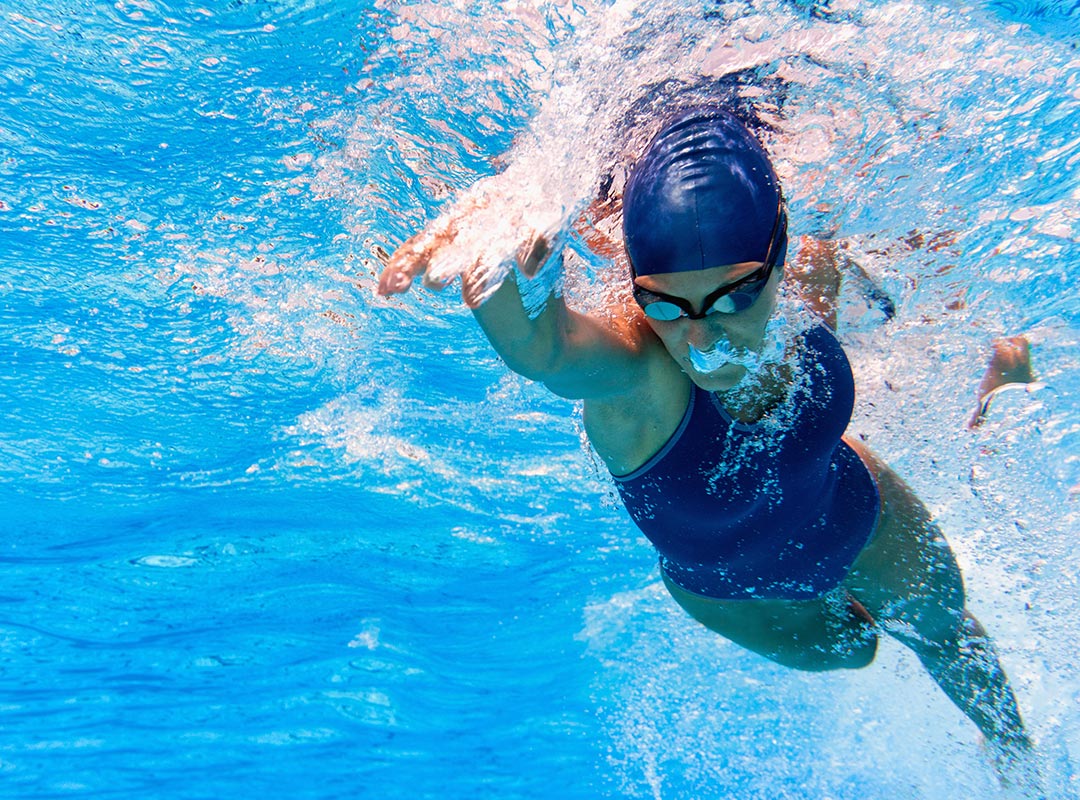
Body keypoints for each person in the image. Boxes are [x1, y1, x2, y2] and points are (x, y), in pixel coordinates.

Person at [379, 107, 1036, 781]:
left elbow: (903, 282)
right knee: (855, 645)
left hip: (852, 511)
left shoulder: (808, 273)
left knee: (950, 640)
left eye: (733, 299)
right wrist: (500, 250)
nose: (702, 340)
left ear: (779, 262)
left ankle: (1026, 777)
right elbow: (544, 347)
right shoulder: (641, 375)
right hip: (733, 589)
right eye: (666, 305)